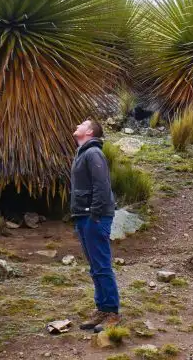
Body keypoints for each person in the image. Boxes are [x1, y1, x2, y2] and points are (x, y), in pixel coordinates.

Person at [71, 118, 120, 332]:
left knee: (101, 264)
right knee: (95, 266)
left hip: (93, 217)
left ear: (89, 132)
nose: (77, 126)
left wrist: (95, 214)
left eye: (82, 124)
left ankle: (112, 312)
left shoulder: (93, 153)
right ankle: (102, 308)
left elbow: (102, 185)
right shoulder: (84, 152)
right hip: (84, 215)